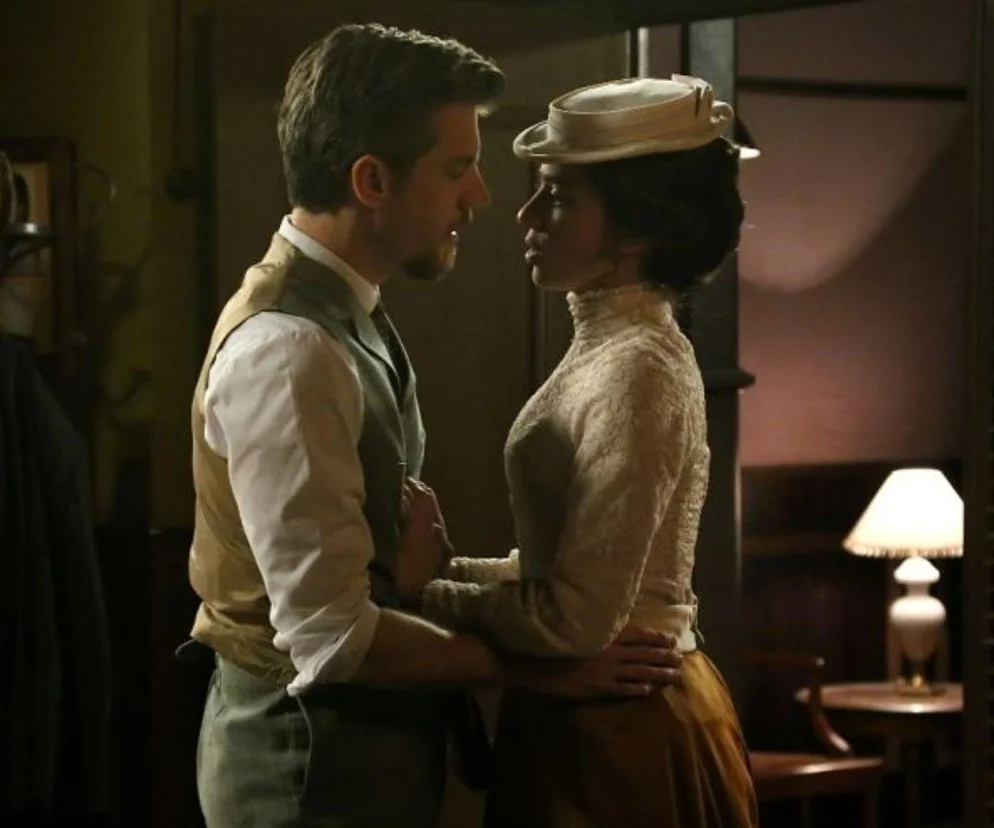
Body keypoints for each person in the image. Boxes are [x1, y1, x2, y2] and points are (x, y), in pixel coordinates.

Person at [184, 24, 684, 828]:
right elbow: (333, 638)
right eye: (456, 168)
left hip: (367, 764)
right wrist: (539, 672)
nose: (480, 196)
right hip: (307, 779)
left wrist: (430, 575)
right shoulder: (291, 350)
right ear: (372, 180)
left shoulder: (348, 315)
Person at [398, 75, 760, 827]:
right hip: (594, 717)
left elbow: (575, 620)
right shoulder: (613, 346)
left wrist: (429, 592)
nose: (526, 214)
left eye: (558, 198)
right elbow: (573, 569)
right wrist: (452, 572)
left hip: (622, 730)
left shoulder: (638, 367)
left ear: (634, 230)